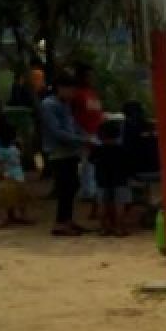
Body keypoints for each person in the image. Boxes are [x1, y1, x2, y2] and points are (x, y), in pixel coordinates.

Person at [40, 74, 91, 236]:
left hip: (71, 150)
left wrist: (86, 135)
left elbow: (73, 124)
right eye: (71, 90)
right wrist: (81, 139)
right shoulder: (49, 105)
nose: (73, 94)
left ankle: (67, 219)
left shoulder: (66, 104)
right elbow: (56, 131)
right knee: (65, 186)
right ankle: (60, 223)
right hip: (58, 151)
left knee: (73, 185)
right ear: (61, 88)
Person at [71, 64, 104, 217]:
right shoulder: (77, 94)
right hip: (85, 133)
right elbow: (73, 116)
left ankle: (93, 192)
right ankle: (87, 192)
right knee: (86, 164)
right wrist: (82, 134)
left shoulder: (93, 93)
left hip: (97, 131)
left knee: (94, 164)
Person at [90, 119, 132, 236]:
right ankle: (119, 228)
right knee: (120, 204)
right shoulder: (122, 149)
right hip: (120, 179)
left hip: (102, 180)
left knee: (102, 204)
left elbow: (91, 160)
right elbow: (129, 163)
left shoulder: (98, 149)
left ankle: (104, 228)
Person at [0, 126, 32, 227]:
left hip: (14, 174)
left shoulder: (6, 148)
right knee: (13, 197)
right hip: (13, 175)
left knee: (15, 196)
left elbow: (1, 163)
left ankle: (13, 216)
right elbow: (1, 163)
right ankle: (13, 216)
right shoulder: (7, 149)